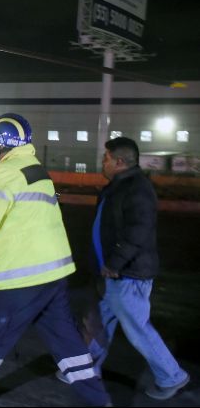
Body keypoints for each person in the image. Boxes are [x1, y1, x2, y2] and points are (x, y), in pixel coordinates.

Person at [0, 113, 111, 407]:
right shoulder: (34, 169)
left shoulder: (5, 173)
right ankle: (98, 399)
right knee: (66, 341)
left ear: (1, 143)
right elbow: (4, 212)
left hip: (25, 274)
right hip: (54, 273)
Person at [58, 137, 189, 400]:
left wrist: (115, 263)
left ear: (119, 162)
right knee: (100, 322)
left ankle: (172, 376)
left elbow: (138, 232)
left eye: (106, 158)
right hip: (111, 274)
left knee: (137, 328)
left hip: (126, 274)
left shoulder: (137, 188)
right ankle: (87, 368)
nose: (103, 162)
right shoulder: (118, 186)